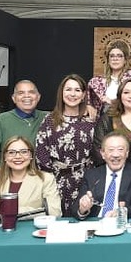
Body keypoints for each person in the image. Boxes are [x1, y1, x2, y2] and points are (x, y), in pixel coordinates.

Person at [34, 74, 97, 211]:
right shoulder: (50, 120)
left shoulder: (91, 121)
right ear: (61, 93)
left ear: (83, 95)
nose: (72, 94)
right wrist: (50, 180)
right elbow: (41, 154)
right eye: (68, 89)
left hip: (86, 180)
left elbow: (98, 151)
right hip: (57, 181)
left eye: (77, 90)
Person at [0, 136, 62, 220]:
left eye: (24, 152)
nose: (18, 156)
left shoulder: (45, 179)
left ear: (31, 156)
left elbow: (55, 212)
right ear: (5, 157)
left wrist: (8, 211)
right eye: (11, 152)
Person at [70, 131, 131, 220]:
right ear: (102, 154)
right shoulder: (91, 175)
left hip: (122, 222)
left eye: (120, 149)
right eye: (111, 150)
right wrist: (83, 209)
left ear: (127, 153)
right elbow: (76, 209)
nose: (115, 155)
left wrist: (120, 213)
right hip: (97, 223)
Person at [0, 80, 44, 172]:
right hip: (9, 177)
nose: (27, 96)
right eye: (21, 93)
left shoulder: (49, 118)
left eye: (31, 92)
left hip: (41, 179)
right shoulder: (2, 119)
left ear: (38, 97)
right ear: (14, 98)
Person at [87, 39, 131, 118]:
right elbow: (88, 103)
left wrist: (112, 102)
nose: (115, 59)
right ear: (108, 60)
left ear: (125, 60)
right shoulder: (96, 82)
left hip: (126, 120)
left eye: (119, 56)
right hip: (102, 123)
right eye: (112, 56)